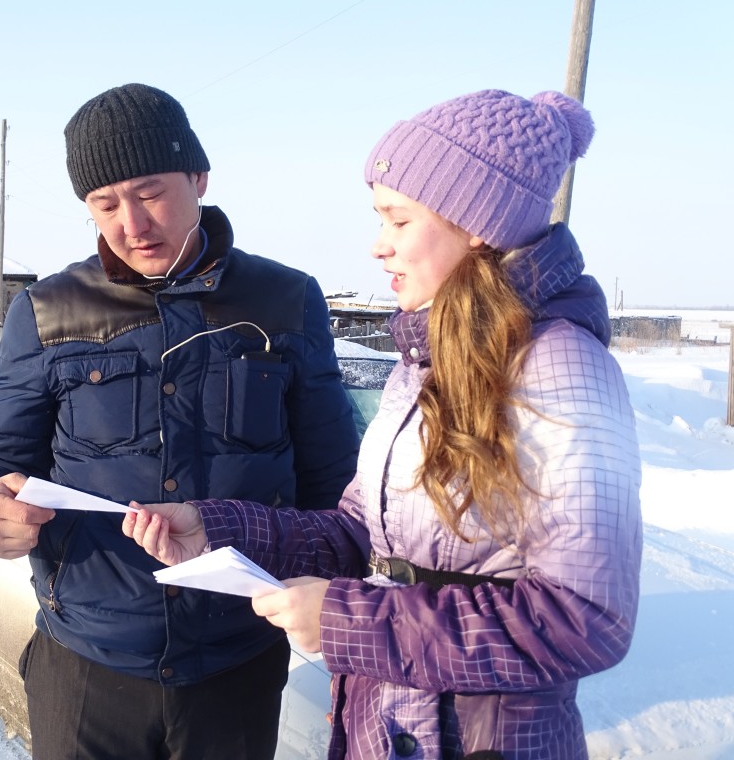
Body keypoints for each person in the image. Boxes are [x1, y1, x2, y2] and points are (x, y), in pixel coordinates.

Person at [123, 89, 643, 760]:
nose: (378, 246)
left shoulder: (562, 369)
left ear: (476, 224)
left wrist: (349, 622)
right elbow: (362, 534)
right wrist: (216, 531)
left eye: (398, 220)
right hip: (384, 723)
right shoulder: (425, 360)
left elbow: (586, 617)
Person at [0, 83, 360, 760]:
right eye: (105, 204)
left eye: (150, 193)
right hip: (86, 665)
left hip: (236, 665)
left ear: (198, 178)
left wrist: (341, 608)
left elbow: (332, 484)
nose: (132, 224)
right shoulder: (48, 311)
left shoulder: (285, 301)